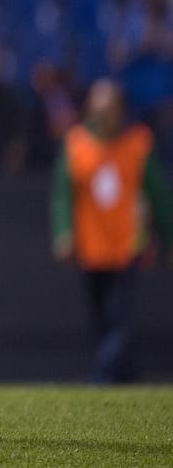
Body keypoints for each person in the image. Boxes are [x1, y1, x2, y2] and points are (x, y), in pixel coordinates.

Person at [51, 79, 172, 382]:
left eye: (109, 109)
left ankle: (104, 374)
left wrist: (168, 239)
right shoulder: (77, 143)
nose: (103, 115)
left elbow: (157, 195)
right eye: (98, 108)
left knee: (118, 315)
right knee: (100, 316)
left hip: (126, 245)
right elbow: (63, 193)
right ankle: (124, 372)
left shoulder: (138, 144)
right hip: (91, 245)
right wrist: (64, 232)